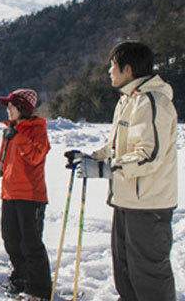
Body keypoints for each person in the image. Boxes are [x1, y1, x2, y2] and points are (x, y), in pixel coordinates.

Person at [72, 41, 177, 301]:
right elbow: (118, 147)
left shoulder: (152, 102)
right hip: (127, 199)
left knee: (149, 275)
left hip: (148, 204)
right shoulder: (128, 101)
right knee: (126, 272)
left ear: (128, 70)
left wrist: (103, 169)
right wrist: (90, 158)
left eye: (113, 66)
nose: (109, 71)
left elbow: (147, 155)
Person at [0, 88, 52, 301]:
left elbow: (37, 156)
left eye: (11, 105)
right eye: (7, 106)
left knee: (31, 244)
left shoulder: (37, 129)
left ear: (23, 108)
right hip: (9, 193)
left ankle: (39, 290)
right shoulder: (11, 131)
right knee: (11, 240)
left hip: (31, 195)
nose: (8, 110)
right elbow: (3, 164)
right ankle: (21, 277)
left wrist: (18, 138)